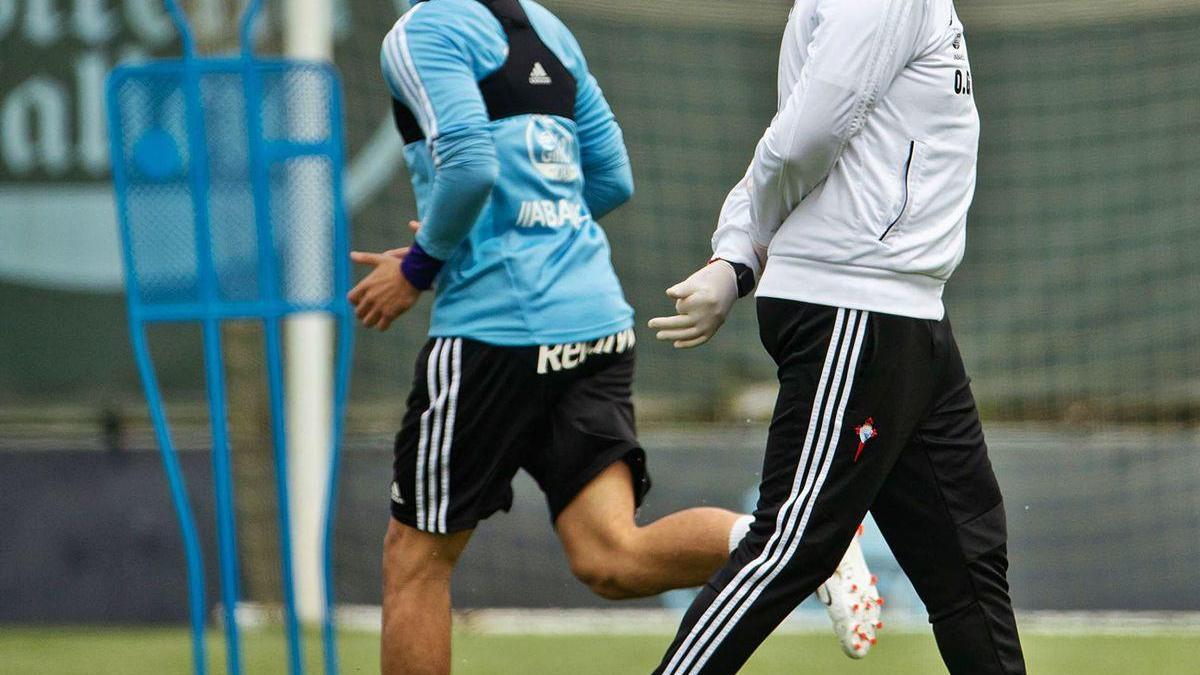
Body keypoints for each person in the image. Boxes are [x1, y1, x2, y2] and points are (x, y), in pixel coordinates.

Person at [348, 1, 881, 673]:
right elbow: (611, 177)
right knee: (611, 556)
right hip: (593, 320)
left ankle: (795, 542)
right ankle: (793, 543)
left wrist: (421, 266)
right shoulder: (548, 29)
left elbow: (469, 166)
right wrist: (516, 234)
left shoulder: (421, 31)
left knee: (416, 559)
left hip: (496, 334)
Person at [647, 0, 1027, 673]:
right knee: (792, 544)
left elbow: (799, 132)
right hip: (856, 304)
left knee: (967, 562)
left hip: (908, 311)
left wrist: (741, 252)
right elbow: (804, 135)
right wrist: (740, 256)